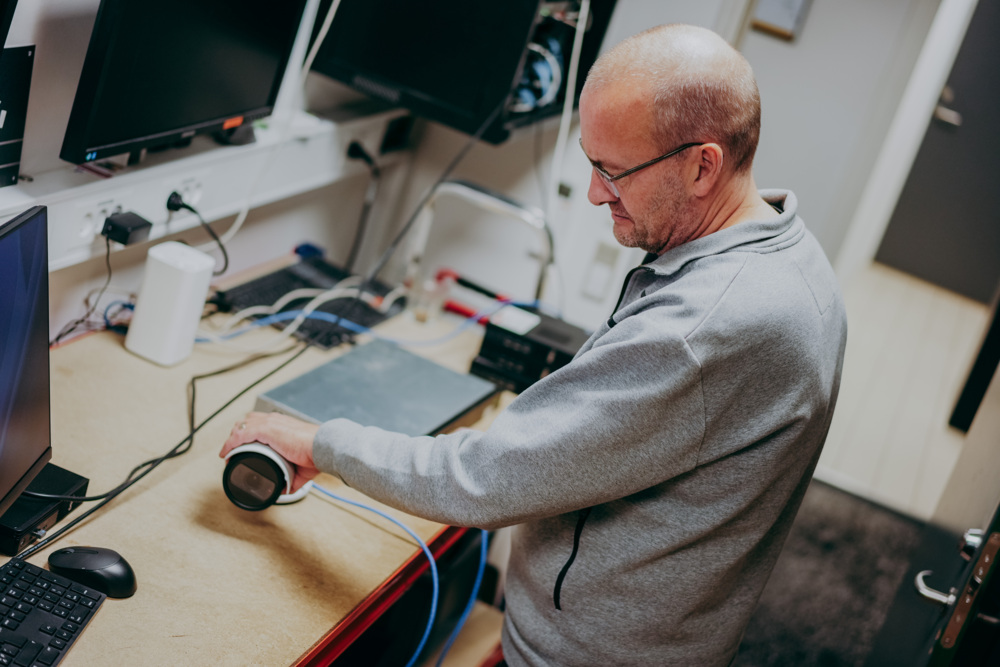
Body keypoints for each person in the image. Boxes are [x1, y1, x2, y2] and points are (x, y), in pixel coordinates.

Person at [221, 23, 847, 667]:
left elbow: (483, 479)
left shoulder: (705, 326)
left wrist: (320, 443)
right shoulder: (791, 253)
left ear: (701, 166)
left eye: (614, 170)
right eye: (591, 162)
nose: (598, 192)